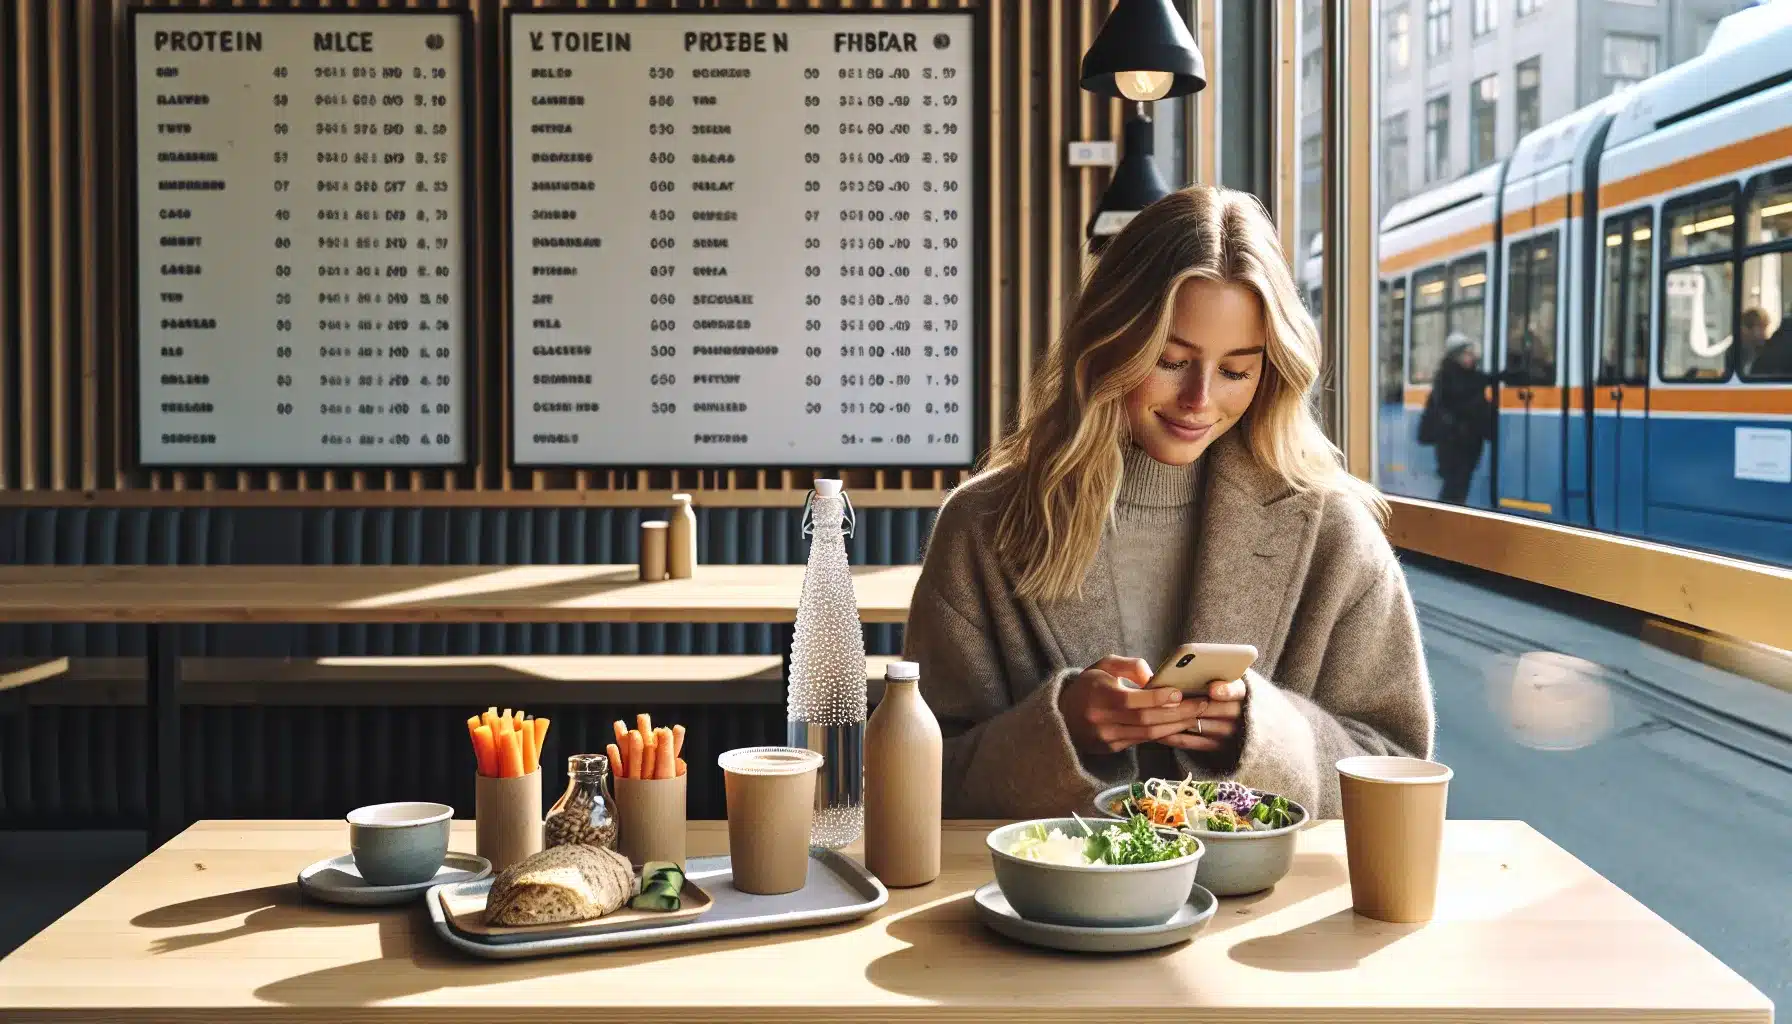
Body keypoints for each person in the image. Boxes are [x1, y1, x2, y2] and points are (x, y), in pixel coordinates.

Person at [901, 185, 1435, 820]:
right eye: (1170, 360)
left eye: (1235, 371)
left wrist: (1261, 736)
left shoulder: (1333, 532)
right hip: (1046, 886)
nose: (1198, 400)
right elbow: (920, 774)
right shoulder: (983, 526)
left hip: (1268, 887)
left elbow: (1398, 768)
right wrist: (1060, 732)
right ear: (1109, 343)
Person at [1419, 335, 1497, 505]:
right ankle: (1445, 518)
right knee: (1453, 489)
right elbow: (1444, 410)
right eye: (1466, 354)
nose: (1471, 357)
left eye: (1471, 353)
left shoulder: (1472, 376)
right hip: (1453, 444)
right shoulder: (1447, 378)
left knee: (1460, 487)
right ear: (1456, 356)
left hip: (1468, 444)